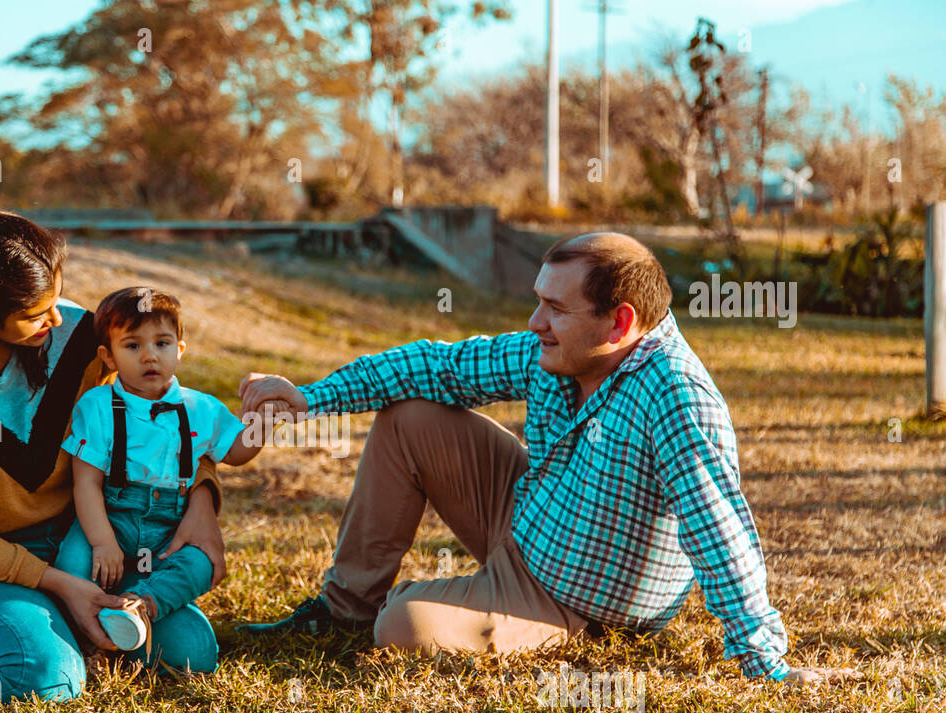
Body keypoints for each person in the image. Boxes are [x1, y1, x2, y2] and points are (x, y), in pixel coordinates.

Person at [237, 232, 854, 684]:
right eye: (539, 301)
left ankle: (427, 608)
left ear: (620, 323)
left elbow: (718, 530)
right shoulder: (557, 351)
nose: (536, 323)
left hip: (578, 599)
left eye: (556, 309)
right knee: (408, 416)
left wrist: (766, 663)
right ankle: (343, 610)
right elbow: (438, 366)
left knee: (402, 626)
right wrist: (310, 398)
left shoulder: (677, 397)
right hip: (531, 518)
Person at [0, 211, 228, 700]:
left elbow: (159, 410)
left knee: (188, 655)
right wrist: (58, 584)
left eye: (56, 299)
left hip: (80, 544)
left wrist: (202, 492)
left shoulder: (79, 335)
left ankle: (55, 625)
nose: (55, 318)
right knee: (49, 678)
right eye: (36, 313)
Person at [55, 286, 262, 657]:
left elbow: (236, 452)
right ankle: (84, 635)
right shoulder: (98, 405)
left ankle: (141, 606)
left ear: (179, 349)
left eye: (162, 343)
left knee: (200, 563)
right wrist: (103, 542)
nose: (150, 355)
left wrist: (263, 418)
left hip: (169, 532)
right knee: (73, 561)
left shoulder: (201, 407)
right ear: (109, 356)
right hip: (110, 518)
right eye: (133, 345)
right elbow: (86, 483)